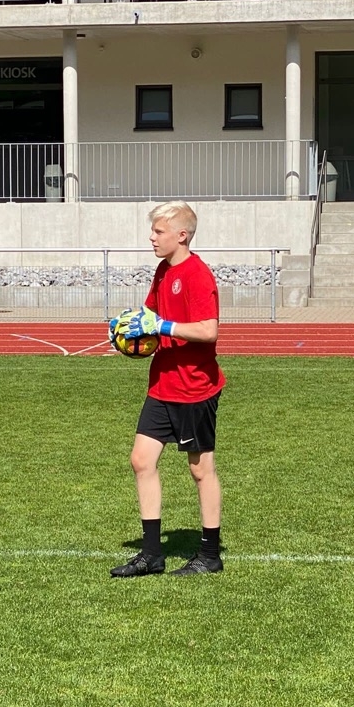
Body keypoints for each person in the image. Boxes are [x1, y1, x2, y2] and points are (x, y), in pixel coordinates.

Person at [109, 200, 225, 578]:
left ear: (182, 235)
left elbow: (208, 330)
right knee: (141, 460)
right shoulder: (163, 271)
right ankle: (152, 555)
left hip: (195, 388)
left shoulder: (198, 275)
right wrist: (130, 333)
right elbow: (150, 319)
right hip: (162, 385)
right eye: (153, 230)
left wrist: (162, 327)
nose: (152, 237)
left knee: (200, 470)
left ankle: (210, 556)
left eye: (159, 231)